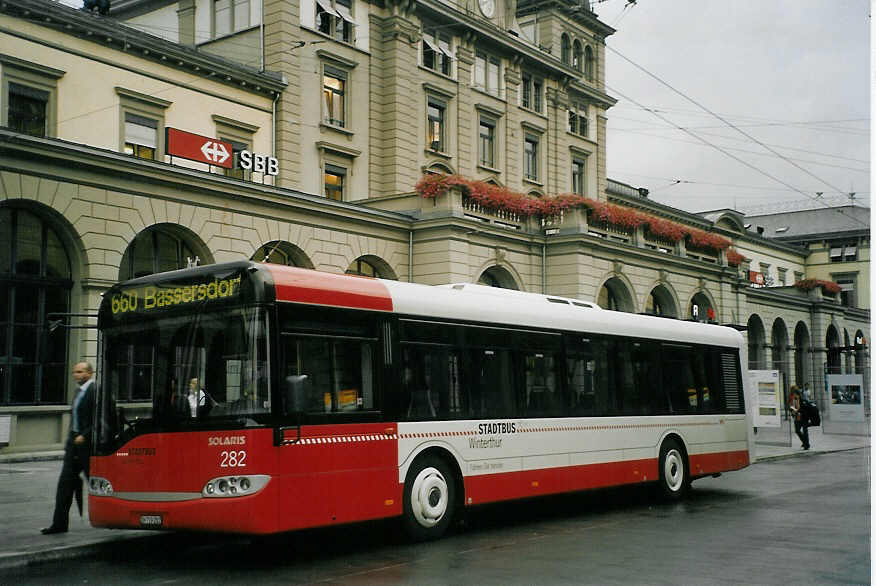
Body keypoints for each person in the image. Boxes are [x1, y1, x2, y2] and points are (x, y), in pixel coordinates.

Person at [42, 362, 96, 534]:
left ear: (89, 373)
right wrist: (70, 440)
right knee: (64, 485)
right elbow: (75, 418)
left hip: (88, 447)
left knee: (96, 483)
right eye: (74, 372)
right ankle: (59, 524)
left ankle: (117, 515)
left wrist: (85, 435)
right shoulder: (78, 392)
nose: (76, 375)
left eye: (80, 372)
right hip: (73, 445)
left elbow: (101, 419)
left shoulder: (96, 391)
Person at [788, 384, 810, 451]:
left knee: (801, 430)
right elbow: (792, 406)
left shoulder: (797, 397)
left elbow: (797, 407)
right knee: (800, 430)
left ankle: (806, 444)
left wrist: (793, 411)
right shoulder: (792, 397)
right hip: (799, 416)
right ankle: (805, 443)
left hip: (801, 415)